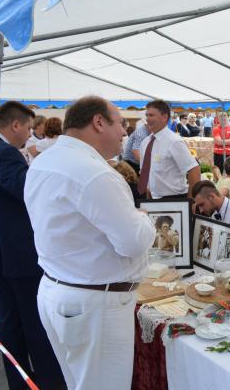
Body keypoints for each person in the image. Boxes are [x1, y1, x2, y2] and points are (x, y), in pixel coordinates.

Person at [24, 96, 156, 389]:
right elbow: (133, 242)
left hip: (60, 290)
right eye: (120, 123)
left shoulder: (44, 160)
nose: (124, 132)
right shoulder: (95, 173)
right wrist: (144, 217)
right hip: (94, 304)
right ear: (98, 122)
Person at [0, 102, 65, 390]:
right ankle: (48, 382)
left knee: (11, 324)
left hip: (3, 252)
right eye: (27, 127)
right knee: (34, 326)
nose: (28, 133)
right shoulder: (5, 154)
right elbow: (27, 189)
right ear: (15, 125)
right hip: (18, 255)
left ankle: (21, 381)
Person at [139, 99, 200, 198]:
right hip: (153, 200)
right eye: (147, 115)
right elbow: (146, 173)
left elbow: (194, 169)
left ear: (164, 117)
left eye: (151, 115)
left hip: (175, 200)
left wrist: (191, 201)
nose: (147, 119)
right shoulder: (145, 143)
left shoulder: (174, 141)